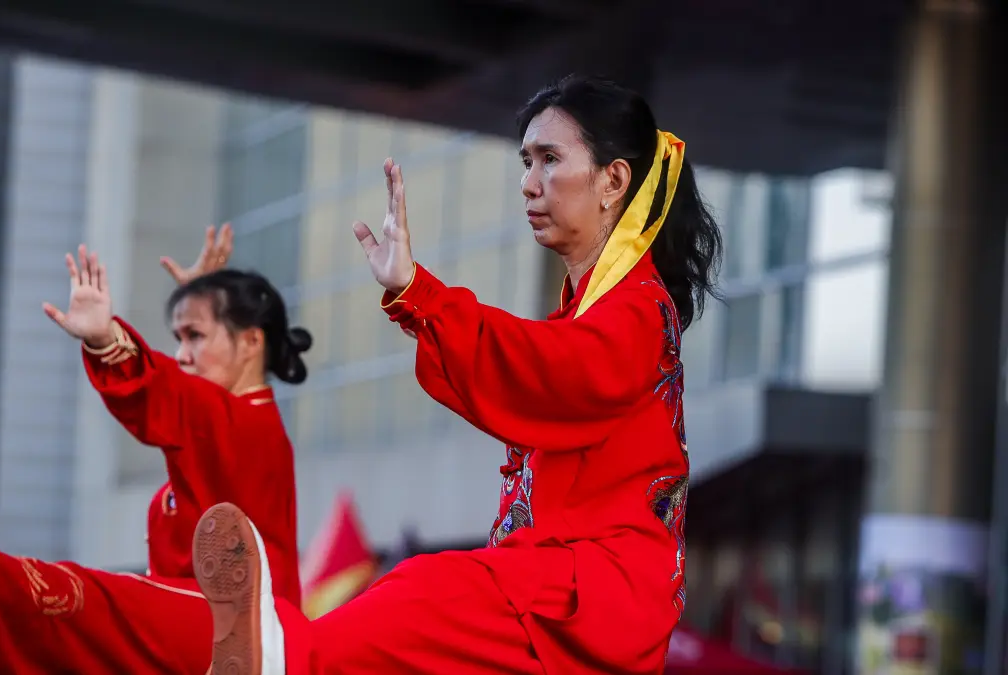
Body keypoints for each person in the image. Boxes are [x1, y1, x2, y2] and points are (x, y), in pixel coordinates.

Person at [191, 74, 723, 675]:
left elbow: (547, 368)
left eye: (549, 159)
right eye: (526, 161)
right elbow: (534, 370)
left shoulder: (637, 309)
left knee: (423, 592)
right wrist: (415, 301)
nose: (528, 183)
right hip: (562, 594)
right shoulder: (595, 313)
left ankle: (282, 657)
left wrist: (420, 295)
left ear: (614, 181)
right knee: (415, 610)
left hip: (586, 596)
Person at [0, 224, 311, 674]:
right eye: (178, 338)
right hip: (210, 639)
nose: (182, 354)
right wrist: (204, 298)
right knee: (81, 645)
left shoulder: (248, 424)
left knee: (100, 602)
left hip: (250, 632)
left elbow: (166, 393)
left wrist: (105, 338)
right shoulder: (218, 427)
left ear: (251, 341)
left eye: (195, 336)